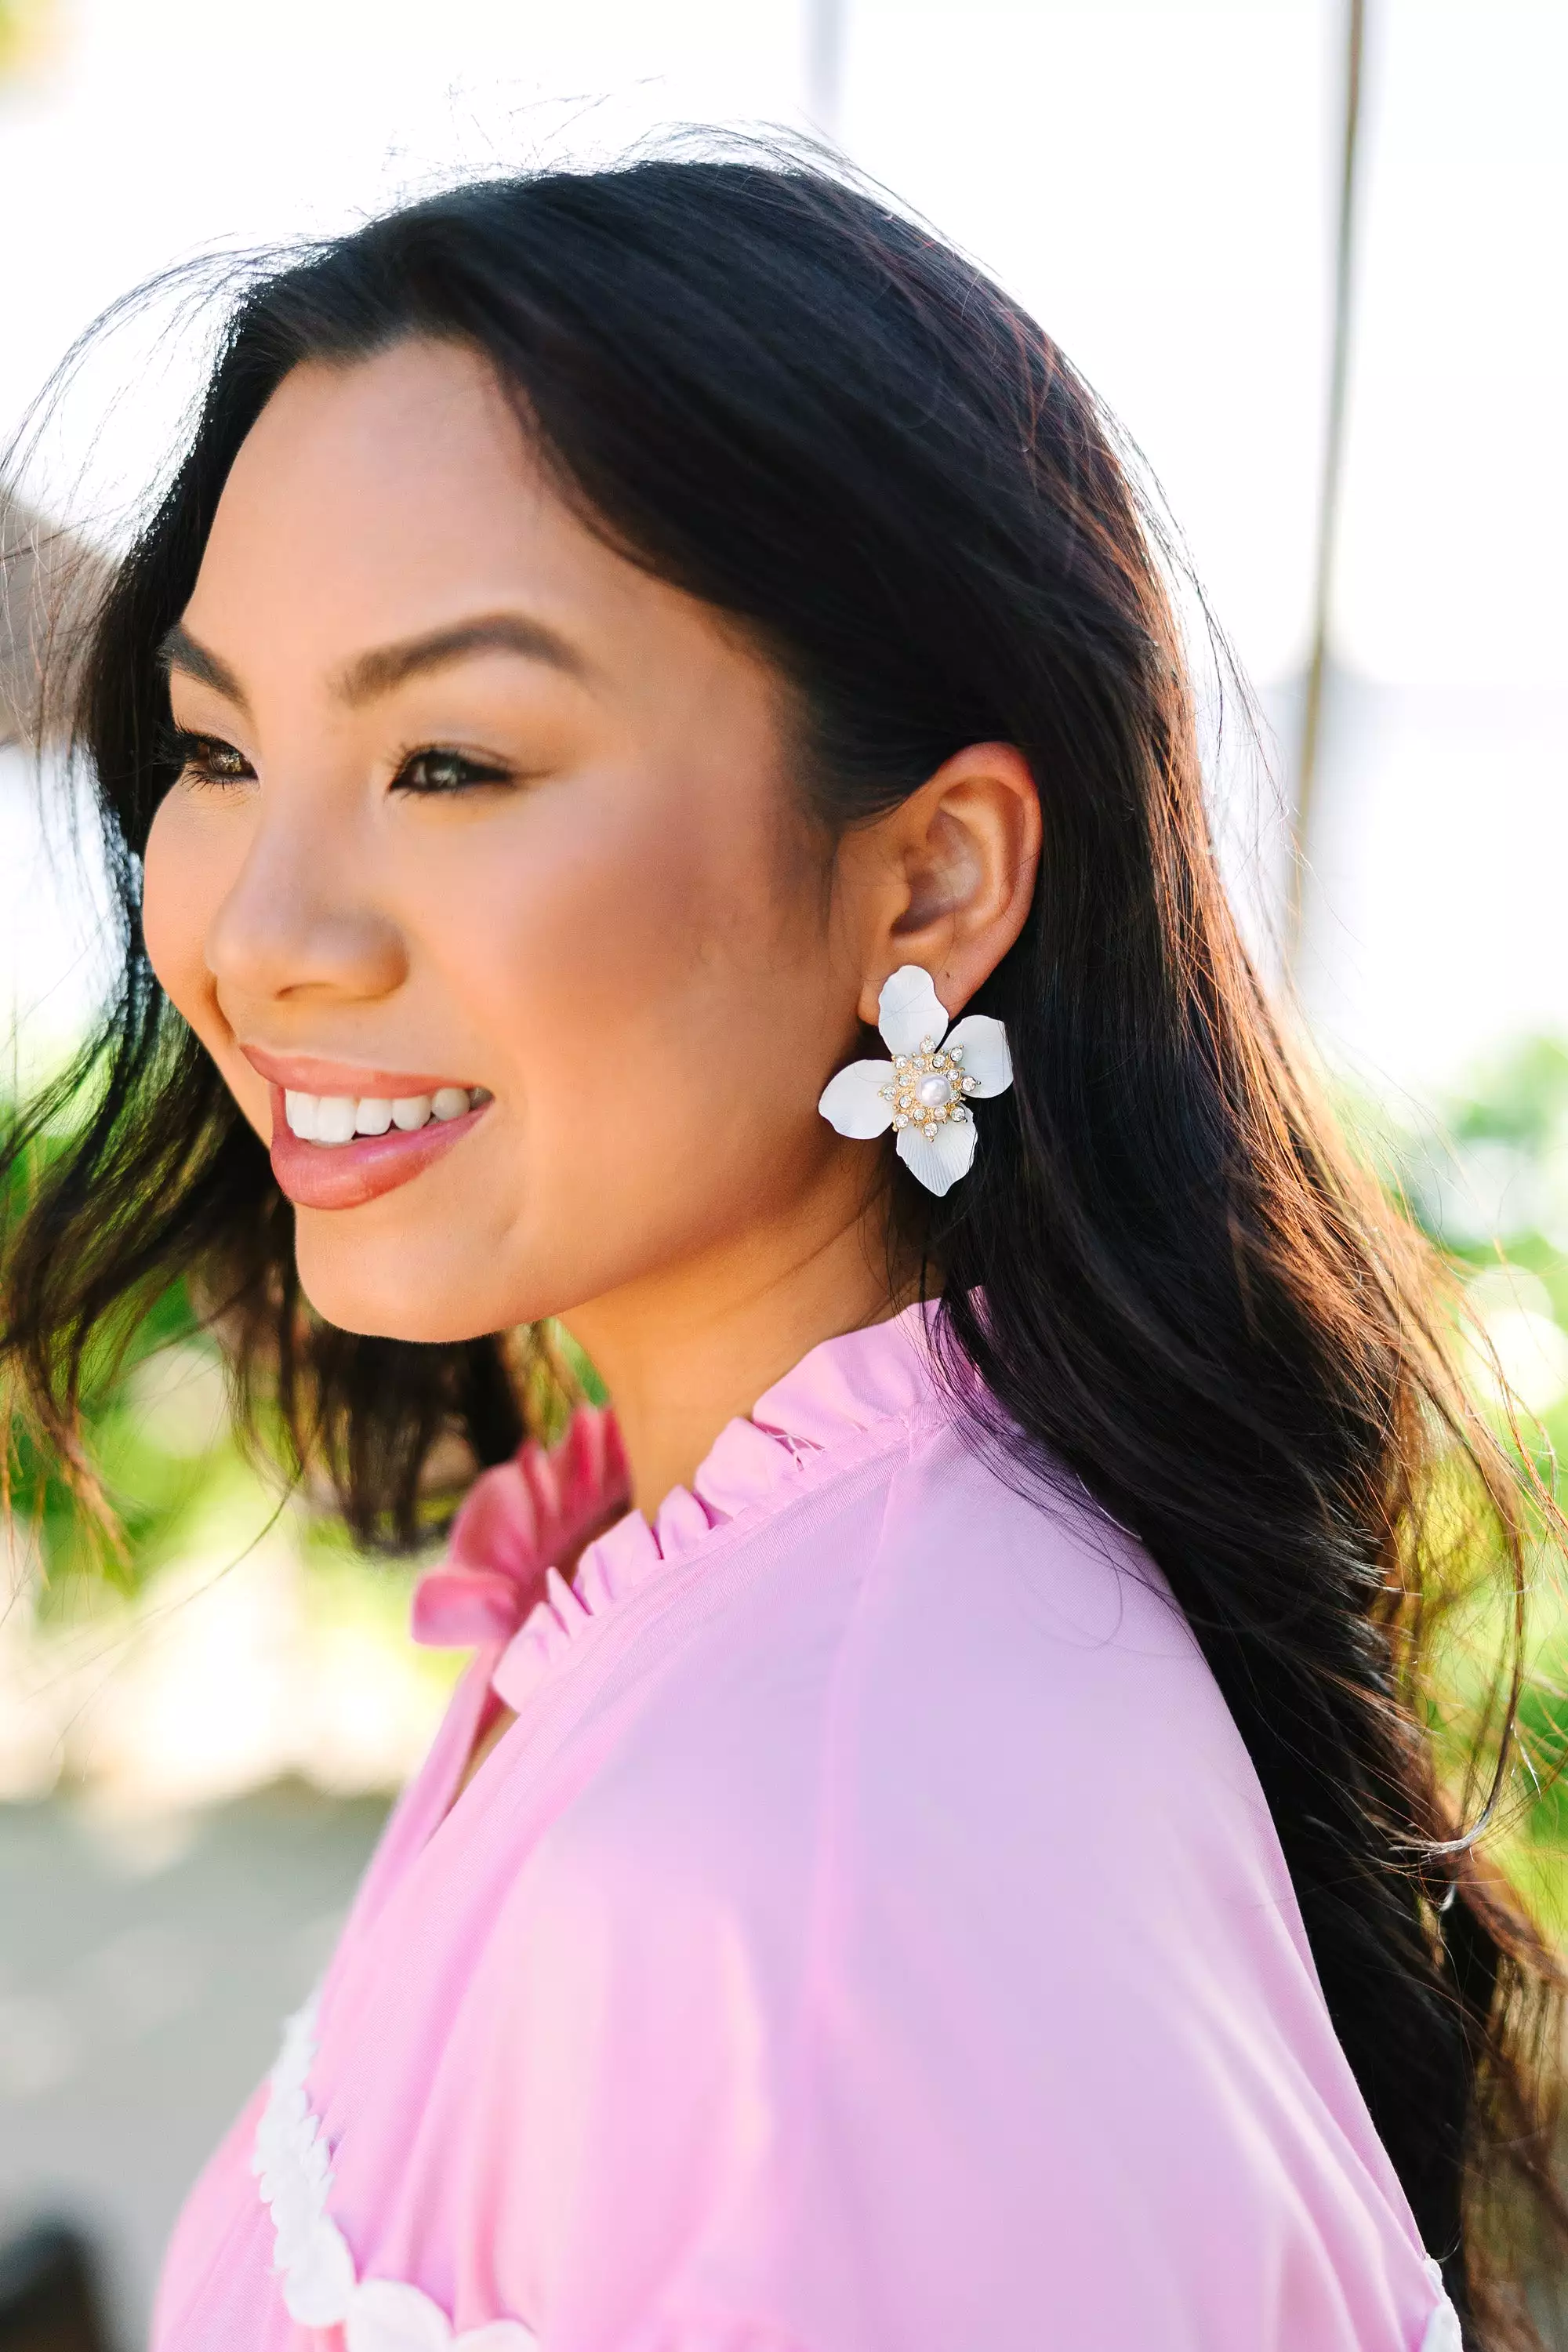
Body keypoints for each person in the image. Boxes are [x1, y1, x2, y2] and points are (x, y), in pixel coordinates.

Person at [2, 153, 1562, 2351]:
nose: (255, 938)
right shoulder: (710, 1592)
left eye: (450, 759)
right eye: (219, 749)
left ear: (928, 886)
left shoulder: (822, 1875)